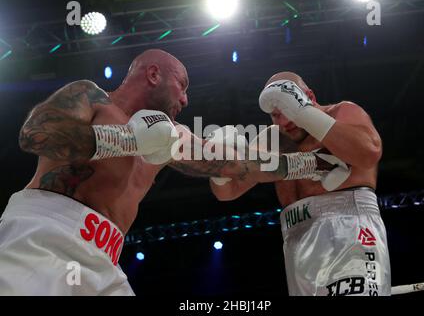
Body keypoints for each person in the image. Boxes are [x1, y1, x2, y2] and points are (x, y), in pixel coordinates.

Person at [0, 50, 343, 295]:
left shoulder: (171, 135)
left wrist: (310, 164)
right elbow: (35, 135)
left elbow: (236, 165)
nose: (186, 99)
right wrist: (123, 140)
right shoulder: (90, 96)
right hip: (45, 232)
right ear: (153, 74)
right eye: (182, 85)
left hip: (105, 257)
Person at [210, 71, 391, 296]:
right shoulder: (273, 138)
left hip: (349, 231)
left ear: (310, 97)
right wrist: (218, 165)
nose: (284, 122)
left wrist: (304, 113)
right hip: (297, 242)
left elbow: (369, 153)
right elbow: (227, 192)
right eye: (276, 115)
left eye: (288, 110)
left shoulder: (343, 112)